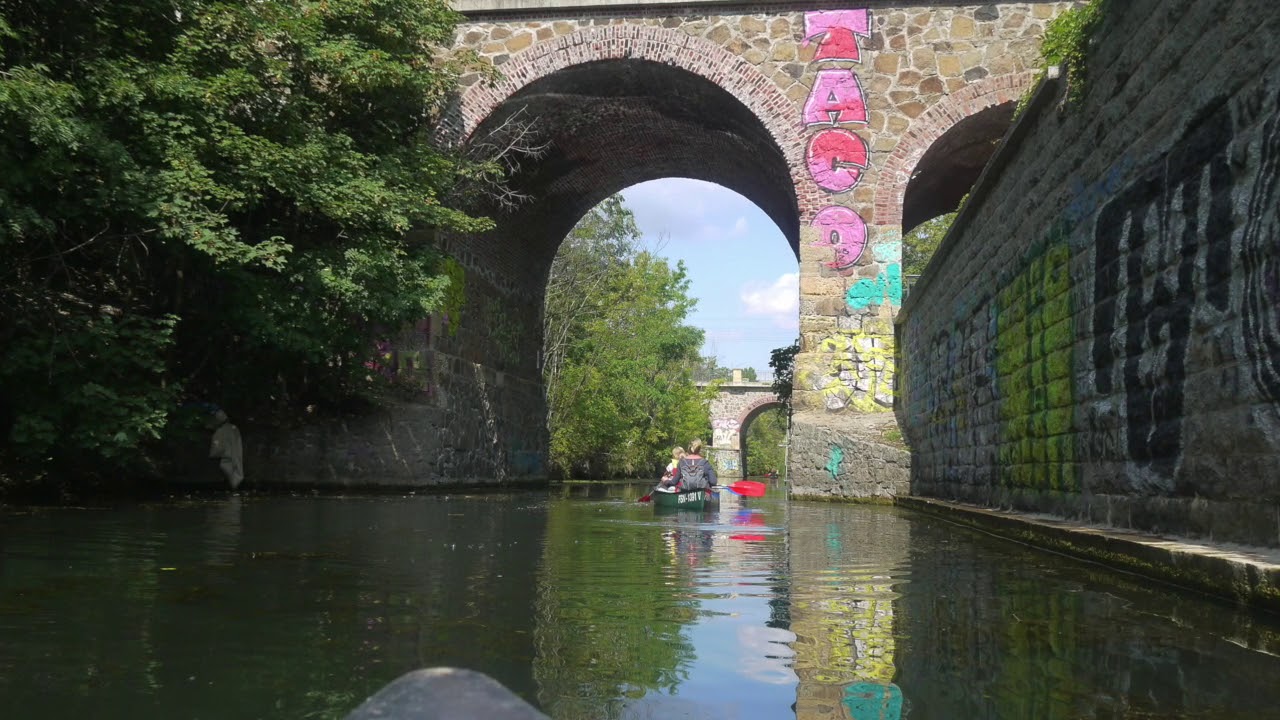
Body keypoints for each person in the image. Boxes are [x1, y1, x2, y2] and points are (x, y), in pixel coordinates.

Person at [208, 408, 245, 490]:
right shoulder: (233, 428)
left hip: (226, 461)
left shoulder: (220, 431)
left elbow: (216, 450)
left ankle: (231, 487)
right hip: (234, 460)